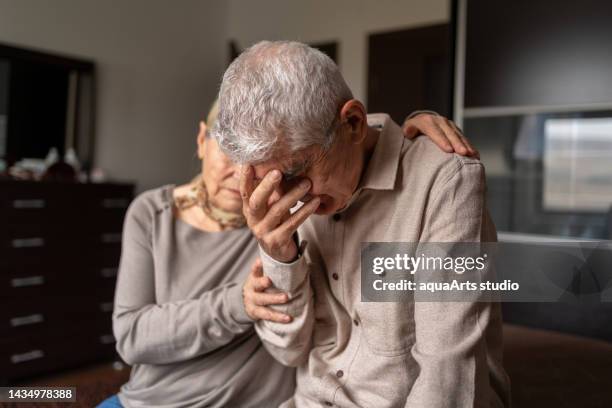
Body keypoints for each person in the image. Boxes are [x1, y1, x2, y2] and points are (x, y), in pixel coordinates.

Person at [95, 97, 474, 408]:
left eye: (253, 160)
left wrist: (411, 138)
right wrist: (237, 303)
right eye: (225, 150)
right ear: (200, 140)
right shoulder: (152, 212)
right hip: (144, 400)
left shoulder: (290, 214)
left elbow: (340, 141)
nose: (239, 172)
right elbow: (130, 338)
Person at [213, 41, 511, 407]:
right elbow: (288, 351)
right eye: (266, 181)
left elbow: (446, 377)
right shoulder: (291, 199)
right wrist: (280, 257)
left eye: (294, 173)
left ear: (353, 124)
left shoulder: (445, 181)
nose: (282, 200)